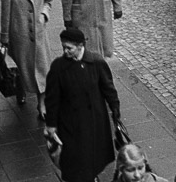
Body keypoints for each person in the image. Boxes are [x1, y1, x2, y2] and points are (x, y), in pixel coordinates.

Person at [45, 27, 121, 182]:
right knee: (74, 159)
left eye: (69, 48)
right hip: (70, 123)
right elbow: (52, 98)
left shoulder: (96, 62)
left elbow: (109, 88)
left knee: (92, 156)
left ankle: (91, 177)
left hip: (94, 120)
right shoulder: (58, 67)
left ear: (80, 46)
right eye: (63, 47)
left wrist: (115, 110)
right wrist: (51, 124)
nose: (65, 51)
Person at [0, 0, 53, 117]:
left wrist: (44, 14)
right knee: (22, 68)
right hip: (20, 35)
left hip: (39, 34)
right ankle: (20, 90)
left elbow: (48, 1)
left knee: (42, 69)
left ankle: (41, 104)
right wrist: (5, 37)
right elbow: (5, 14)